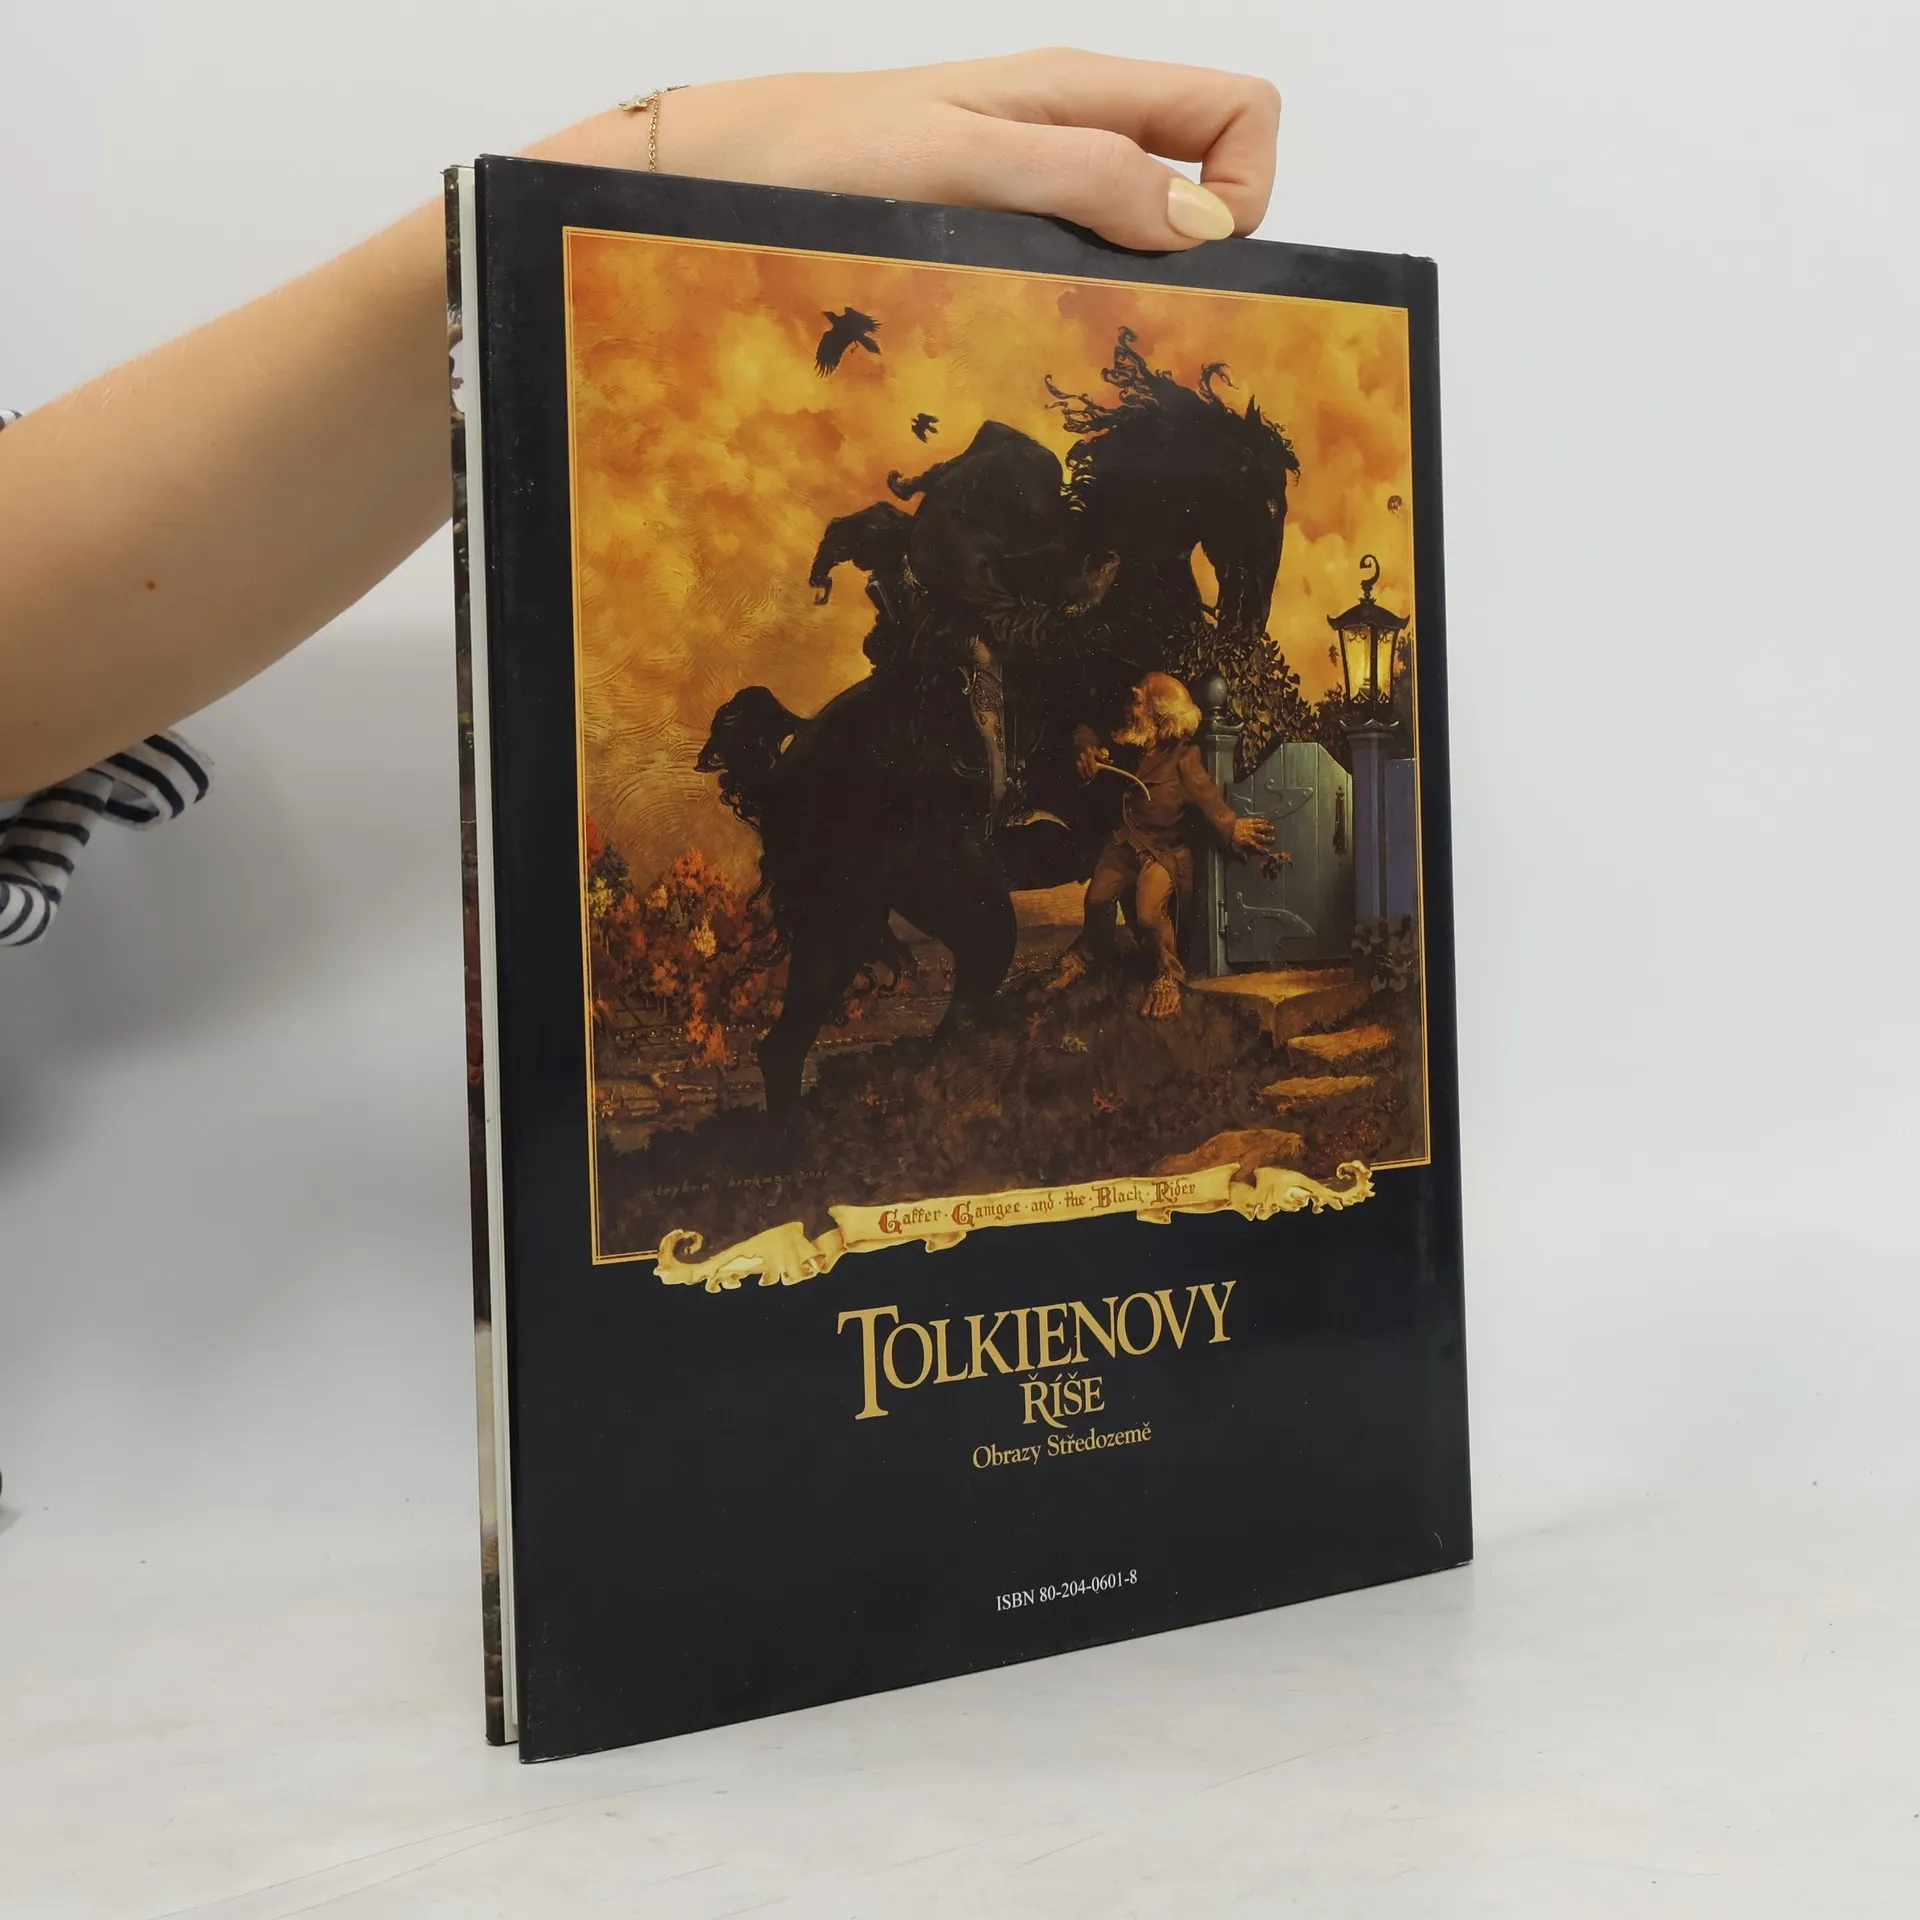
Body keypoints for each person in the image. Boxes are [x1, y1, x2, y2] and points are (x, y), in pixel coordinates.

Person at [0, 50, 1279, 943]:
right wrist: (645, 169)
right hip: (954, 628)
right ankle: (984, 808)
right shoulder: (945, 535)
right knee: (975, 700)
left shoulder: (1014, 495)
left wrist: (659, 167)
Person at [1047, 671, 1276, 1018]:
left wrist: (1231, 827)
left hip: (1163, 851)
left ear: (1159, 714)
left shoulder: (1183, 757)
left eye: (1136, 701)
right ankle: (1087, 955)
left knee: (1148, 913)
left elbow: (1206, 797)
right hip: (1125, 842)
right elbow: (1086, 730)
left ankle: (1168, 975)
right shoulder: (1130, 739)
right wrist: (1086, 749)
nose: (1127, 708)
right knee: (1097, 898)